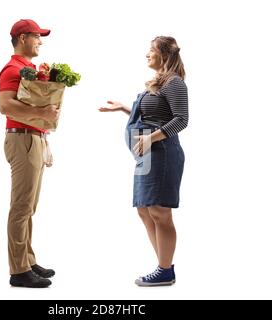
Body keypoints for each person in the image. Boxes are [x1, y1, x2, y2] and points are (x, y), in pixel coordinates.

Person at [99, 36, 188, 286]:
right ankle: (163, 266)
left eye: (151, 50)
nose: (146, 54)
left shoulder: (175, 83)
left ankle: (165, 269)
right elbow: (154, 114)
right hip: (147, 155)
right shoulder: (159, 83)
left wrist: (152, 138)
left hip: (162, 154)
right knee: (144, 209)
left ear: (164, 54)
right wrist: (125, 109)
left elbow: (181, 119)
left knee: (160, 211)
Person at [0, 19, 60, 288]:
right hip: (21, 141)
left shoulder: (29, 69)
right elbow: (5, 106)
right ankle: (19, 271)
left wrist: (44, 134)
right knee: (21, 207)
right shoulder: (12, 69)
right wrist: (41, 114)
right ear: (22, 38)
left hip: (33, 139)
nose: (40, 41)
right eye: (36, 37)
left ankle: (28, 259)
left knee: (29, 207)